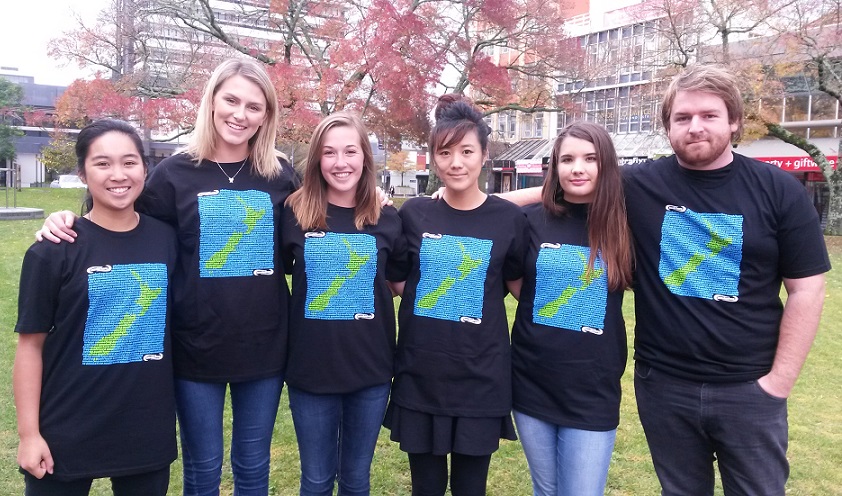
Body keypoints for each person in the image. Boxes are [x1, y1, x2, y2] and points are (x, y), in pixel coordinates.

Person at [494, 65, 830, 495]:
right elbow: (564, 188)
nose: (695, 127)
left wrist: (777, 384)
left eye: (709, 115)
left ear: (734, 121)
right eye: (682, 118)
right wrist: (462, 200)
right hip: (664, 387)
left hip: (748, 389)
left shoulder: (779, 190)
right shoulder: (640, 185)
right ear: (668, 126)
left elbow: (807, 288)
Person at [36, 58, 300, 496]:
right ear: (212, 101)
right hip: (194, 344)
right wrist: (66, 218)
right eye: (231, 100)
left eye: (255, 106)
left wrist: (377, 193)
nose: (240, 114)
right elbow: (117, 223)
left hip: (265, 344)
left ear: (267, 115)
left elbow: (324, 219)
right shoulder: (173, 174)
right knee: (203, 467)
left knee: (253, 465)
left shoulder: (280, 174)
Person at [14, 119, 177, 495]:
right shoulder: (53, 250)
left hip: (145, 428)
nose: (118, 174)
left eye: (129, 162)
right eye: (102, 163)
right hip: (66, 428)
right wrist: (29, 434)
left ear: (145, 168)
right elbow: (30, 347)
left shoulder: (168, 239)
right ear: (82, 173)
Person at [383, 95, 527, 496]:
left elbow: (518, 286)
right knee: (425, 488)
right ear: (433, 158)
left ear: (484, 156)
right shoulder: (414, 214)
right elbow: (398, 283)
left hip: (481, 377)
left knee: (471, 488)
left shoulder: (509, 219)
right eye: (445, 152)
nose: (456, 162)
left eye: (467, 151)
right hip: (421, 372)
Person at [281, 111, 406, 495]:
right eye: (330, 152)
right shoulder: (292, 213)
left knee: (356, 480)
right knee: (316, 480)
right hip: (310, 369)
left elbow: (399, 284)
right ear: (317, 159)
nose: (341, 162)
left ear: (365, 157)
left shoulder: (387, 218)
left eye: (350, 151)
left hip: (369, 370)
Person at [508, 122, 633, 496]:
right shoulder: (531, 222)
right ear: (554, 167)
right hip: (533, 380)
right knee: (545, 490)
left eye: (590, 159)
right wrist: (544, 191)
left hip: (592, 387)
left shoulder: (624, 223)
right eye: (567, 159)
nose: (577, 168)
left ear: (606, 165)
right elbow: (518, 286)